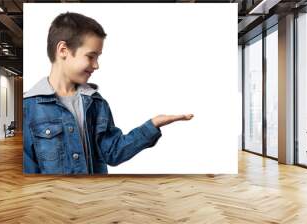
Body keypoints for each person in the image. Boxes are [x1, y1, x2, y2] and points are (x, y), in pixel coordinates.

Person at [23, 12, 193, 174]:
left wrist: (153, 125)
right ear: (63, 50)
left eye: (98, 57)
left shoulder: (96, 103)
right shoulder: (28, 108)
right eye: (91, 56)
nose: (97, 65)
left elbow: (112, 153)